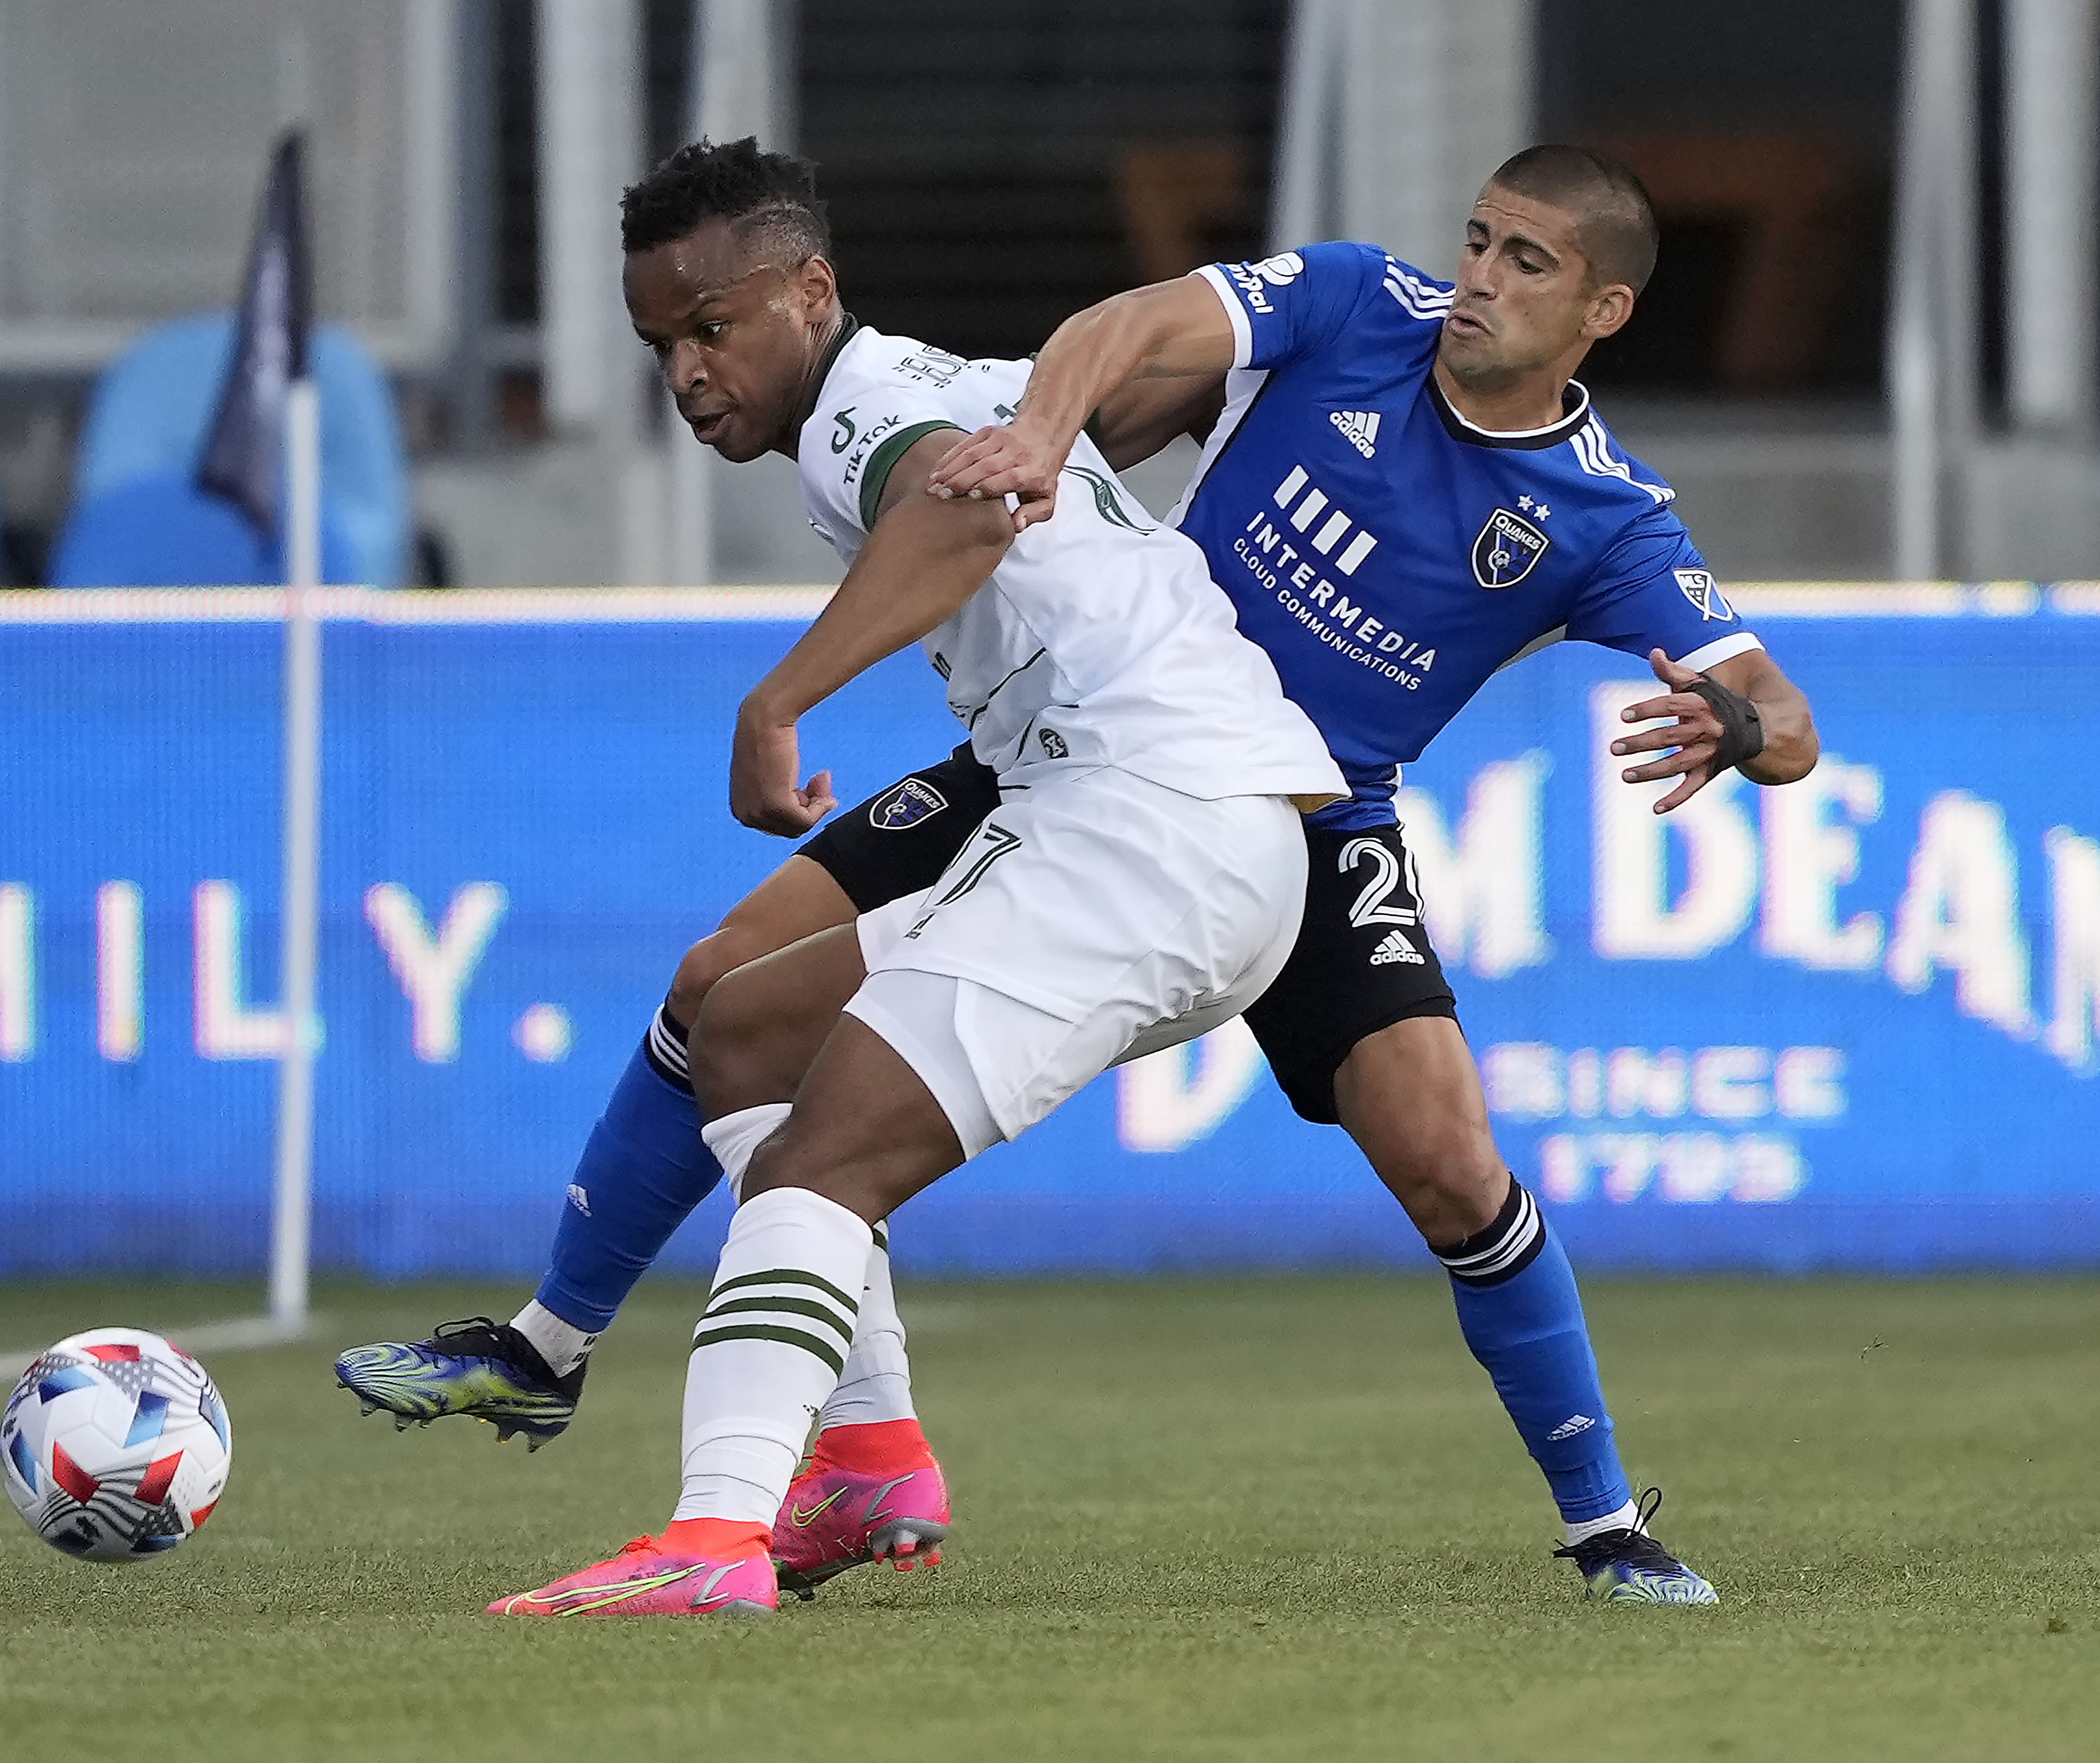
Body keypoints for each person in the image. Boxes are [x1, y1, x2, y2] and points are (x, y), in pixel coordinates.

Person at [340, 140, 1821, 1608]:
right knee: (727, 991)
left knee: (1447, 1167)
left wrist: (1736, 722)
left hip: (1287, 801)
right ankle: (557, 1350)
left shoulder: (1603, 512)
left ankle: (1604, 1520)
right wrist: (1048, 432)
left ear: (1599, 315)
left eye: (1524, 263)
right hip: (1076, 731)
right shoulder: (1364, 306)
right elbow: (1122, 328)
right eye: (1478, 239)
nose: (1477, 280)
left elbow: (1785, 717)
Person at [477, 135, 1344, 1617]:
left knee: (824, 1162)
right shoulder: (947, 379)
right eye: (658, 346)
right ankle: (868, 1458)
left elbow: (964, 507)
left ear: (809, 293)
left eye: (710, 328)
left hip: (1145, 822)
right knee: (747, 1024)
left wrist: (776, 701)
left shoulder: (872, 412)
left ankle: (711, 1541)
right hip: (1189, 822)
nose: (686, 373)